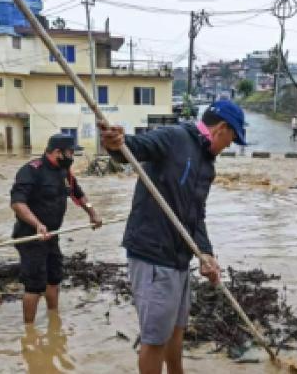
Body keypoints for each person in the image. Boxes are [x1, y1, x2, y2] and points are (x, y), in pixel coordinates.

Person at [99, 99, 247, 374]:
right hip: (153, 254)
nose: (230, 145)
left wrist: (206, 254)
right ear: (222, 129)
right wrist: (115, 143)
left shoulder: (207, 165)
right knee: (154, 340)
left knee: (176, 331)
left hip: (179, 259)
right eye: (232, 139)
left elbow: (196, 215)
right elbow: (132, 149)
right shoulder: (175, 137)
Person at [10, 134, 102, 324]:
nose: (72, 156)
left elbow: (78, 194)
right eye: (70, 152)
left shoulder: (64, 171)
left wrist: (93, 213)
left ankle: (54, 319)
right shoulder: (31, 170)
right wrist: (37, 224)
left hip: (52, 235)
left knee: (54, 277)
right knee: (34, 285)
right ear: (58, 152)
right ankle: (30, 330)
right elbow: (18, 203)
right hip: (31, 236)